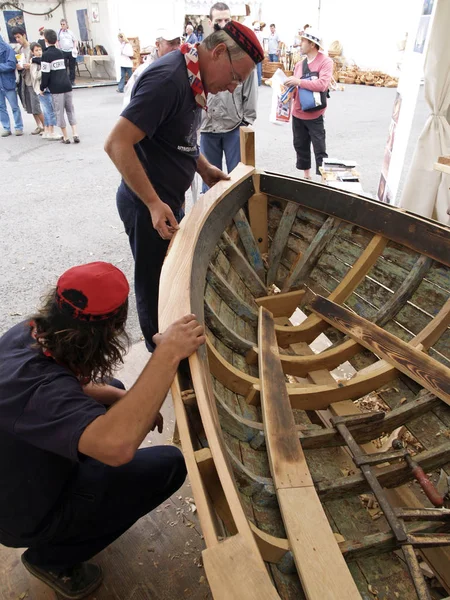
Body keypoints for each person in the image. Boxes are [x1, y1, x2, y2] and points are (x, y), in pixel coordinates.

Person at [0, 261, 205, 599]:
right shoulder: (41, 394)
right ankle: (51, 559)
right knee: (168, 465)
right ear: (107, 334)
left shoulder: (31, 332)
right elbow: (118, 446)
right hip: (22, 513)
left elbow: (69, 386)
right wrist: (167, 353)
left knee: (116, 393)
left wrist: (120, 397)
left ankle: (75, 515)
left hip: (17, 469)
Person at [105, 21, 263, 351]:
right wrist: (151, 203)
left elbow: (178, 139)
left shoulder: (192, 78)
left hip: (164, 201)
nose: (234, 87)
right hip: (146, 204)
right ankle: (159, 352)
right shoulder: (168, 80)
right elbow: (117, 143)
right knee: (154, 283)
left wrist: (204, 168)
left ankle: (168, 340)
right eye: (236, 77)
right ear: (219, 52)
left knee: (170, 276)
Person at [200, 2, 257, 193]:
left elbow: (250, 87)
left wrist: (246, 121)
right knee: (210, 182)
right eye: (219, 21)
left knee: (236, 180)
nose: (223, 24)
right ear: (210, 22)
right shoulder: (203, 51)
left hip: (234, 125)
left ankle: (238, 220)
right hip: (208, 127)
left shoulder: (241, 53)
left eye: (227, 20)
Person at [285, 28, 333, 179]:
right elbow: (297, 88)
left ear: (312, 44)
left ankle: (323, 180)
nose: (300, 44)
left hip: (315, 114)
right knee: (300, 146)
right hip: (298, 112)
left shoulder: (326, 62)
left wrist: (299, 81)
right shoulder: (299, 65)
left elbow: (322, 85)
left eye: (303, 41)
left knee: (319, 148)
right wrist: (287, 91)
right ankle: (307, 177)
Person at [123, 27, 181, 108]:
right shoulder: (144, 71)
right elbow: (128, 105)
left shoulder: (181, 67)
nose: (176, 48)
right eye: (171, 43)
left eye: (178, 43)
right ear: (157, 45)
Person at [41, 28, 79, 144]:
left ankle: (66, 136)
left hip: (56, 87)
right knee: (70, 109)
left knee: (59, 111)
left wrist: (42, 87)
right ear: (56, 40)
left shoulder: (46, 55)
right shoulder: (60, 53)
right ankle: (75, 133)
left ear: (46, 40)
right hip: (67, 84)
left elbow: (45, 74)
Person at [12, 26, 44, 135]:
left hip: (33, 80)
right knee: (29, 105)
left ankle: (46, 126)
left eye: (18, 37)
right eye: (15, 38)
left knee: (36, 105)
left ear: (24, 35)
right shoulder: (19, 49)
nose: (17, 40)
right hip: (24, 80)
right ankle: (39, 125)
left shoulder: (33, 47)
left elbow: (40, 60)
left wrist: (29, 65)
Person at [29, 42, 60, 140]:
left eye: (40, 50)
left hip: (47, 88)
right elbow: (35, 76)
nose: (39, 52)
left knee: (47, 111)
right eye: (36, 50)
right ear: (32, 52)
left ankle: (46, 130)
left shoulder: (42, 60)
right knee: (50, 110)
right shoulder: (34, 62)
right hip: (41, 89)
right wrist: (44, 69)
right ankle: (51, 131)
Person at [0, 32, 24, 136]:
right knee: (1, 107)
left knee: (14, 106)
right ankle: (6, 127)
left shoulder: (7, 48)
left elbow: (11, 64)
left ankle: (18, 126)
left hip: (8, 81)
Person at [57, 19, 77, 85]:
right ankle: (65, 80)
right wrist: (59, 48)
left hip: (71, 50)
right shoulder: (59, 32)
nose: (62, 26)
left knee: (72, 66)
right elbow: (57, 41)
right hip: (63, 51)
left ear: (66, 24)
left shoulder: (70, 32)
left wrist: (74, 48)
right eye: (61, 24)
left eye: (64, 24)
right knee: (64, 66)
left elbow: (74, 40)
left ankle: (72, 80)